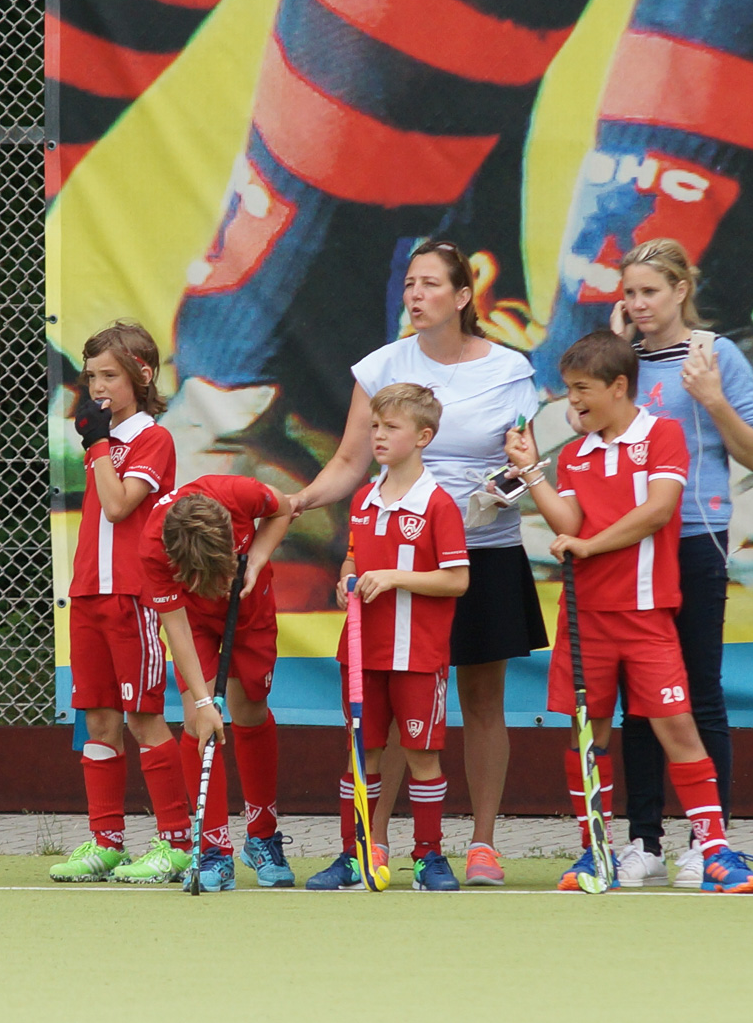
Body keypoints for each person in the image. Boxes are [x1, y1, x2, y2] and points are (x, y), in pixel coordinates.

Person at [292, 241, 547, 885]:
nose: (415, 294)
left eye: (430, 284)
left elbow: (524, 460)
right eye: (409, 283)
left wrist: (499, 493)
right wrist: (299, 500)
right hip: (397, 563)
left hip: (484, 553)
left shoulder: (510, 369)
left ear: (462, 296)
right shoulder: (382, 365)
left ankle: (482, 846)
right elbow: (349, 461)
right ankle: (372, 845)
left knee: (482, 700)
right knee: (395, 699)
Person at [506, 330, 753, 894]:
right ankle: (594, 850)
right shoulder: (574, 453)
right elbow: (568, 524)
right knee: (588, 734)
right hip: (585, 619)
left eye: (582, 389)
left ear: (619, 386)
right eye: (569, 389)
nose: (573, 400)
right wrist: (530, 472)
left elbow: (658, 512)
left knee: (678, 727)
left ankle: (714, 851)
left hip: (646, 616)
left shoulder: (663, 435)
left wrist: (590, 546)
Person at [608, 239, 753, 887]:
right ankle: (643, 841)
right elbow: (591, 436)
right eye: (629, 293)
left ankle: (710, 842)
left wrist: (712, 398)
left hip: (697, 537)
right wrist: (611, 359)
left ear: (681, 290)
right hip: (629, 543)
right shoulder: (620, 361)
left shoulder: (716, 355)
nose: (638, 304)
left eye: (650, 291)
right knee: (640, 699)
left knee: (699, 692)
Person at [306, 384, 470, 892]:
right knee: (362, 753)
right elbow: (353, 558)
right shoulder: (363, 499)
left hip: (418, 654)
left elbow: (457, 580)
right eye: (374, 426)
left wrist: (396, 578)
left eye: (390, 427)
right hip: (363, 653)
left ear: (423, 437)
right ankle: (353, 855)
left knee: (423, 756)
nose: (378, 435)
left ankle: (428, 858)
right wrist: (346, 579)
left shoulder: (439, 504)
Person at [49, 322, 189, 883]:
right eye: (91, 377)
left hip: (134, 595)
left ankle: (176, 842)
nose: (98, 388)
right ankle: (106, 842)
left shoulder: (151, 438)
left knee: (143, 717)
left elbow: (118, 505)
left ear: (142, 375)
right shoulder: (101, 441)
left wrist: (98, 445)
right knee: (100, 719)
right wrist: (99, 444)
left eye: (109, 375)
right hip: (89, 591)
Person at [129, 473, 296, 891]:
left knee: (249, 709)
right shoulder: (153, 547)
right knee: (197, 719)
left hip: (249, 604)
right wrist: (204, 704)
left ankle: (262, 836)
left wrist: (255, 560)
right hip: (195, 621)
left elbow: (284, 508)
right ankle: (214, 850)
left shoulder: (237, 493)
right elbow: (177, 630)